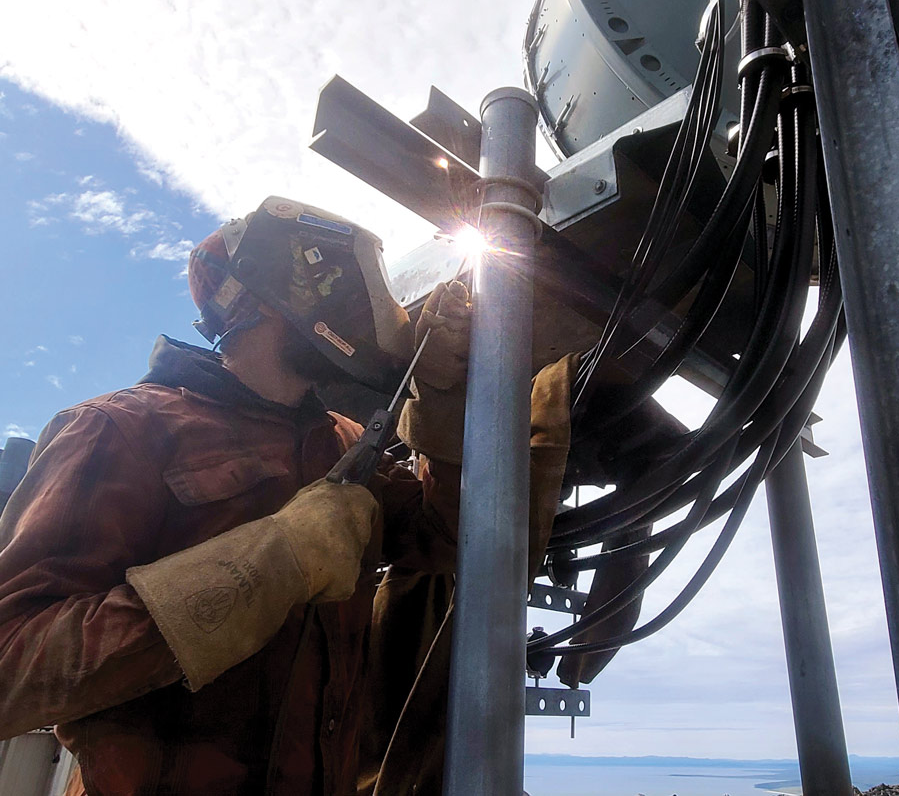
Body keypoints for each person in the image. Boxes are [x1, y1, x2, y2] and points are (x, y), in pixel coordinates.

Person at [0, 196, 575, 795]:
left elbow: (455, 538)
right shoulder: (120, 429)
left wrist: (441, 399)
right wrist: (271, 562)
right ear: (258, 295)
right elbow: (11, 661)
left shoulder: (344, 443)